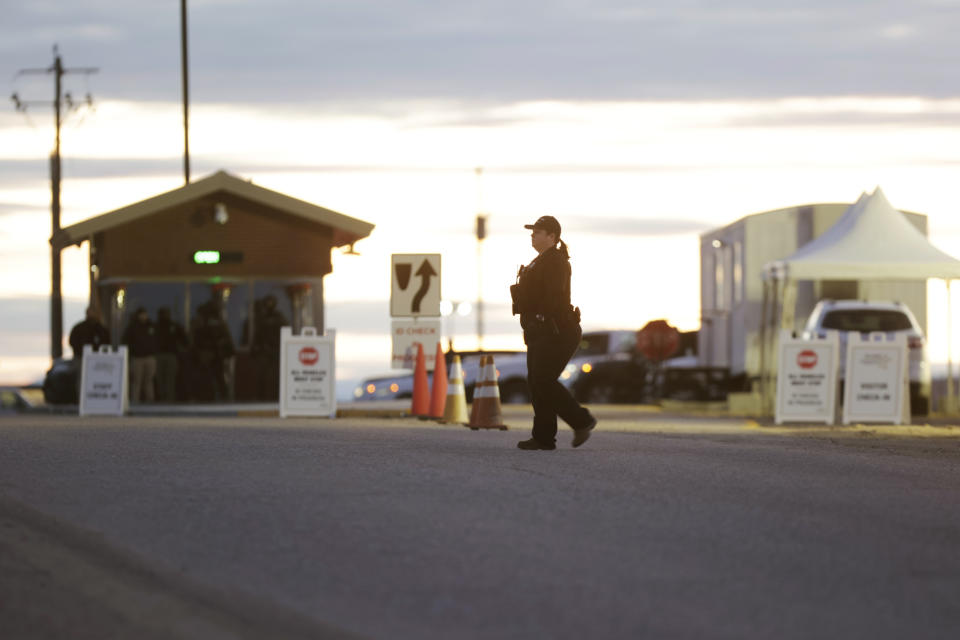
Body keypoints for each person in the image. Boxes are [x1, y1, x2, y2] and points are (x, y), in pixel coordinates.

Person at [510, 216, 596, 450]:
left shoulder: (556, 261)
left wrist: (540, 318)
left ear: (552, 237)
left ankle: (582, 420)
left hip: (559, 331)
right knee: (537, 383)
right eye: (532, 232)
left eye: (538, 232)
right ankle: (543, 437)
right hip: (541, 331)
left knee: (543, 380)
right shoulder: (540, 261)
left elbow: (554, 298)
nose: (533, 235)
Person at [251, 295, 287, 401]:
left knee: (277, 376)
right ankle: (260, 397)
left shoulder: (279, 318)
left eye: (270, 303)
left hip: (276, 351)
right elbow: (257, 335)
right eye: (267, 303)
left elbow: (285, 333)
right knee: (261, 375)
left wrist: (278, 347)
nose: (268, 305)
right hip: (264, 351)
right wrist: (255, 349)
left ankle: (278, 397)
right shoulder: (262, 318)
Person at [122, 307, 158, 404]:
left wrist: (154, 351)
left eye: (145, 314)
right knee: (136, 381)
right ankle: (134, 402)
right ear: (138, 315)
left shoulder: (151, 326)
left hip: (149, 357)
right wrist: (132, 351)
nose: (143, 316)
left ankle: (150, 402)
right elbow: (125, 341)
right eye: (141, 314)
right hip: (137, 358)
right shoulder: (132, 327)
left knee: (149, 381)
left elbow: (158, 340)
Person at [154, 307, 188, 402]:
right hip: (159, 355)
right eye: (163, 313)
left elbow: (184, 339)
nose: (165, 316)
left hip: (171, 355)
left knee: (170, 378)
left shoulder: (174, 326)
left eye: (166, 313)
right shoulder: (156, 326)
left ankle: (169, 398)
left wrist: (183, 348)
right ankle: (161, 397)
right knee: (159, 377)